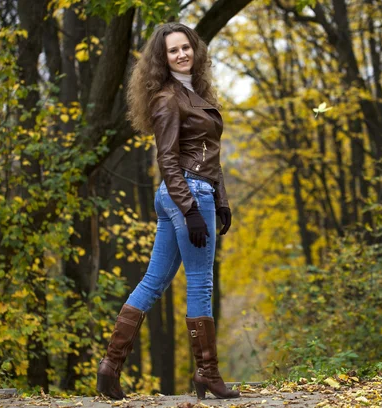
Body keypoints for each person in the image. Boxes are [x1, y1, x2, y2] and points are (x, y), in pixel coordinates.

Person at [96, 22, 239, 401]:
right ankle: (207, 373)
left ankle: (110, 366)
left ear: (196, 49)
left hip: (190, 192)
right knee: (200, 282)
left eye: (186, 47)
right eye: (173, 50)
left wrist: (221, 200)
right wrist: (192, 209)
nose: (181, 54)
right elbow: (168, 158)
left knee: (153, 282)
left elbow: (210, 154)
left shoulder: (195, 91)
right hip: (186, 192)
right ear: (163, 58)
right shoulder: (167, 98)